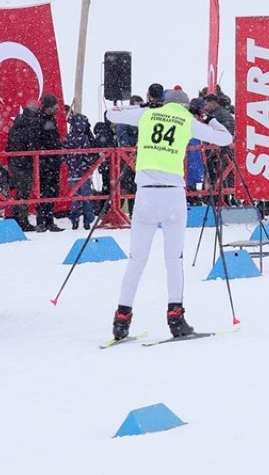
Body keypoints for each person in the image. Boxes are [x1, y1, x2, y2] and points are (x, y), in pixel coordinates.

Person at [106, 83, 234, 340]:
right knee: (173, 259)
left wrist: (145, 106)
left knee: (136, 260)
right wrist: (207, 118)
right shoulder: (187, 119)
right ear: (185, 104)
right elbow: (225, 138)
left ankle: (122, 319)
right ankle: (175, 318)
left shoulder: (147, 114)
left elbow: (112, 113)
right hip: (173, 194)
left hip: (145, 194)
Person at [5, 94, 64, 232]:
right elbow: (34, 143)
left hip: (44, 161)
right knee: (39, 192)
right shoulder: (36, 122)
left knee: (46, 192)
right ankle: (39, 221)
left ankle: (44, 221)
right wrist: (42, 155)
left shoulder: (46, 121)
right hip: (41, 162)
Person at [63, 110, 99, 230]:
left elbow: (64, 153)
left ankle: (75, 218)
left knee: (75, 197)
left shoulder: (69, 138)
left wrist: (70, 161)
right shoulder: (85, 138)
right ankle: (88, 219)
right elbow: (88, 155)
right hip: (85, 173)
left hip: (73, 172)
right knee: (86, 197)